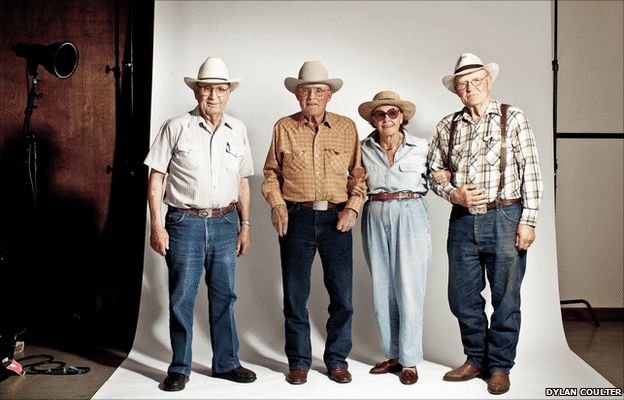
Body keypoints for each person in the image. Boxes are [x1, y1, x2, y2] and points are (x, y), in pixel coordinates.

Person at [427, 53, 543, 395]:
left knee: (506, 296)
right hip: (463, 220)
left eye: (476, 80)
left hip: (506, 216)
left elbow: (532, 171)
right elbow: (433, 172)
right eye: (463, 84)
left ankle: (500, 366)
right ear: (456, 91)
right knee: (461, 296)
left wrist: (529, 220)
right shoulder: (447, 126)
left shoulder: (513, 117)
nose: (470, 88)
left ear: (488, 82)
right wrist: (452, 193)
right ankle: (475, 357)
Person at [144, 57, 256, 391]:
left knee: (225, 296)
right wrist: (156, 225)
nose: (214, 96)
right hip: (184, 223)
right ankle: (180, 367)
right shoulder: (175, 126)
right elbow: (156, 178)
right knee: (181, 298)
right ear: (196, 92)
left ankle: (226, 363)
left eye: (220, 89)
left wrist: (245, 224)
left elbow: (243, 182)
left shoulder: (238, 130)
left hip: (225, 222)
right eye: (207, 89)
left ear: (228, 94)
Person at [262, 61, 366, 385]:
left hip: (337, 219)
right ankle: (299, 362)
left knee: (342, 296)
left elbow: (359, 176)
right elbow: (270, 175)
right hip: (297, 217)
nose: (312, 96)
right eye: (305, 90)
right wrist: (278, 205)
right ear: (297, 95)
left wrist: (353, 208)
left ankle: (337, 360)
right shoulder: (283, 127)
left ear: (329, 96)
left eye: (319, 90)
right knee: (295, 296)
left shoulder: (348, 128)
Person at [352, 91, 431, 385]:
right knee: (382, 288)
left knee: (409, 287)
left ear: (403, 117)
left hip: (410, 212)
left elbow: (438, 178)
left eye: (392, 113)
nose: (386, 119)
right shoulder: (362, 148)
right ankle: (393, 354)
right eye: (380, 114)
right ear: (373, 119)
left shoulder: (421, 147)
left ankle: (410, 360)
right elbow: (354, 180)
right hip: (375, 211)